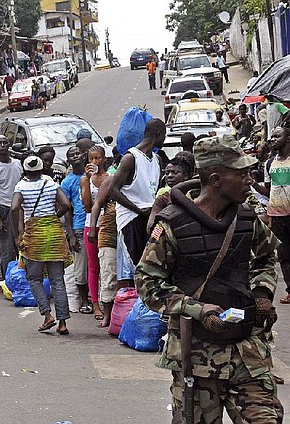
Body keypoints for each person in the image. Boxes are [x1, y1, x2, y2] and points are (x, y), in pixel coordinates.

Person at [135, 135, 283, 423]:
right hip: (198, 359)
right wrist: (197, 309)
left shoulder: (246, 218)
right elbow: (148, 284)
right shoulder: (172, 225)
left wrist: (262, 292)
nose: (249, 180)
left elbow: (266, 257)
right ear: (216, 179)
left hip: (248, 354)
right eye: (241, 174)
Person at [11, 155, 72, 335]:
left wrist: (17, 235)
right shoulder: (51, 184)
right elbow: (66, 204)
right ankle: (62, 323)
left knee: (34, 279)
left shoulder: (21, 187)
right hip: (54, 234)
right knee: (57, 280)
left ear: (25, 171)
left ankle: (47, 315)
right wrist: (54, 215)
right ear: (40, 169)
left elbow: (14, 208)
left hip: (35, 236)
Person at [108, 119, 164, 285]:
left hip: (150, 218)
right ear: (158, 135)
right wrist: (139, 210)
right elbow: (113, 190)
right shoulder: (130, 158)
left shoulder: (156, 159)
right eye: (164, 136)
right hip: (131, 220)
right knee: (134, 268)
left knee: (151, 265)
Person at [254, 126, 290, 304]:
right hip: (277, 214)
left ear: (288, 139)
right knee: (284, 254)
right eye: (272, 136)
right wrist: (253, 183)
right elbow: (268, 191)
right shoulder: (270, 163)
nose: (273, 139)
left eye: (277, 136)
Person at [0, 135, 23, 279]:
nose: (2, 145)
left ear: (9, 145)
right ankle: (9, 280)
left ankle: (24, 279)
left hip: (20, 209)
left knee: (22, 245)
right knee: (6, 249)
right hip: (4, 209)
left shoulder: (18, 164)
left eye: (4, 142)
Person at [62, 145, 92, 313]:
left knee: (95, 266)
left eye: (77, 153)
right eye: (71, 155)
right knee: (80, 267)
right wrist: (71, 234)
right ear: (69, 160)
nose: (75, 156)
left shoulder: (92, 176)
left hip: (95, 224)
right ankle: (83, 300)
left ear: (83, 155)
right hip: (79, 226)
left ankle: (94, 298)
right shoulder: (67, 182)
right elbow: (67, 210)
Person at [81, 145, 109, 321]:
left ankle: (108, 302)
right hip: (90, 226)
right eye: (91, 159)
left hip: (106, 226)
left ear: (103, 159)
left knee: (107, 265)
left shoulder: (110, 178)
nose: (94, 162)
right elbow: (87, 206)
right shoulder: (85, 180)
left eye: (97, 158)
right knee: (93, 266)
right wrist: (88, 180)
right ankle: (95, 304)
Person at [87, 177, 118, 327]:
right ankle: (107, 315)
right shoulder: (110, 181)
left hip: (129, 234)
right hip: (108, 235)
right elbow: (97, 204)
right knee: (108, 274)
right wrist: (92, 228)